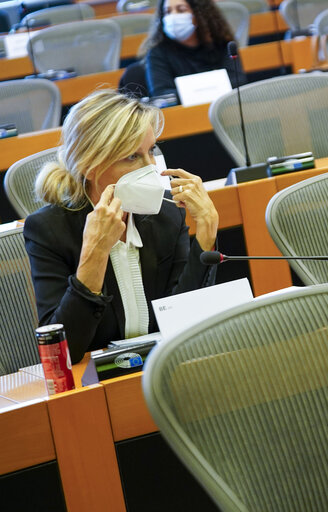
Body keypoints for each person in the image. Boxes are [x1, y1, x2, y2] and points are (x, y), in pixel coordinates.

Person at [24, 90, 219, 363]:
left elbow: (185, 317)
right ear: (90, 165)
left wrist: (206, 234)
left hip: (165, 369)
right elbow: (64, 352)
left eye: (151, 151)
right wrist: (96, 252)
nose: (151, 167)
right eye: (132, 157)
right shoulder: (49, 230)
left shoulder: (166, 215)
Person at [143, 0, 245, 98]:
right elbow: (163, 95)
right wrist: (209, 88)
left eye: (181, 10)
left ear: (199, 14)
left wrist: (192, 92)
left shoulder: (223, 45)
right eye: (167, 12)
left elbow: (238, 82)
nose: (173, 16)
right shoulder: (157, 53)